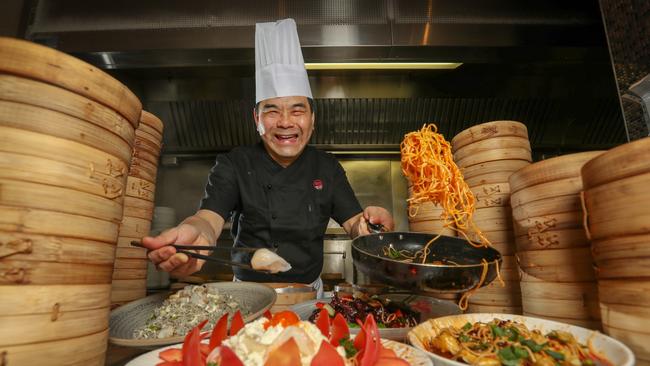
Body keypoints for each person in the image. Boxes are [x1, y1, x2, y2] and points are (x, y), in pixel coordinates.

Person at [142, 19, 394, 298]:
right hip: (247, 296)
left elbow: (355, 225)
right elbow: (208, 219)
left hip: (309, 295)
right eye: (272, 111)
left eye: (297, 110)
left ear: (312, 119)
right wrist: (195, 232)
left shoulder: (327, 167)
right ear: (256, 119)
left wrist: (370, 227)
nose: (285, 122)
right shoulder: (234, 164)